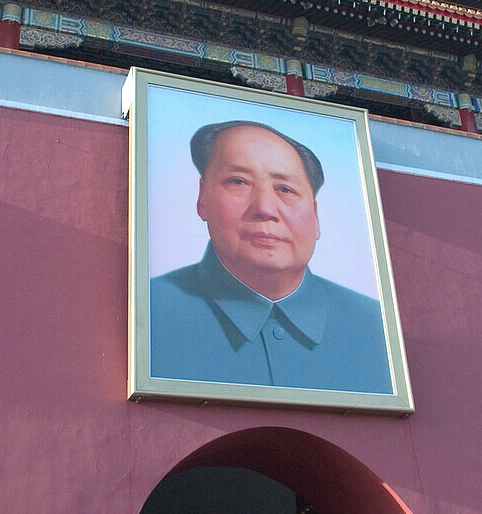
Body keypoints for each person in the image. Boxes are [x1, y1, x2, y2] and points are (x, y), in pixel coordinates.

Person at [150, 121, 392, 393]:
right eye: (239, 182)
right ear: (202, 198)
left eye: (285, 189)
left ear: (315, 216)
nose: (265, 209)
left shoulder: (375, 326)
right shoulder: (151, 310)